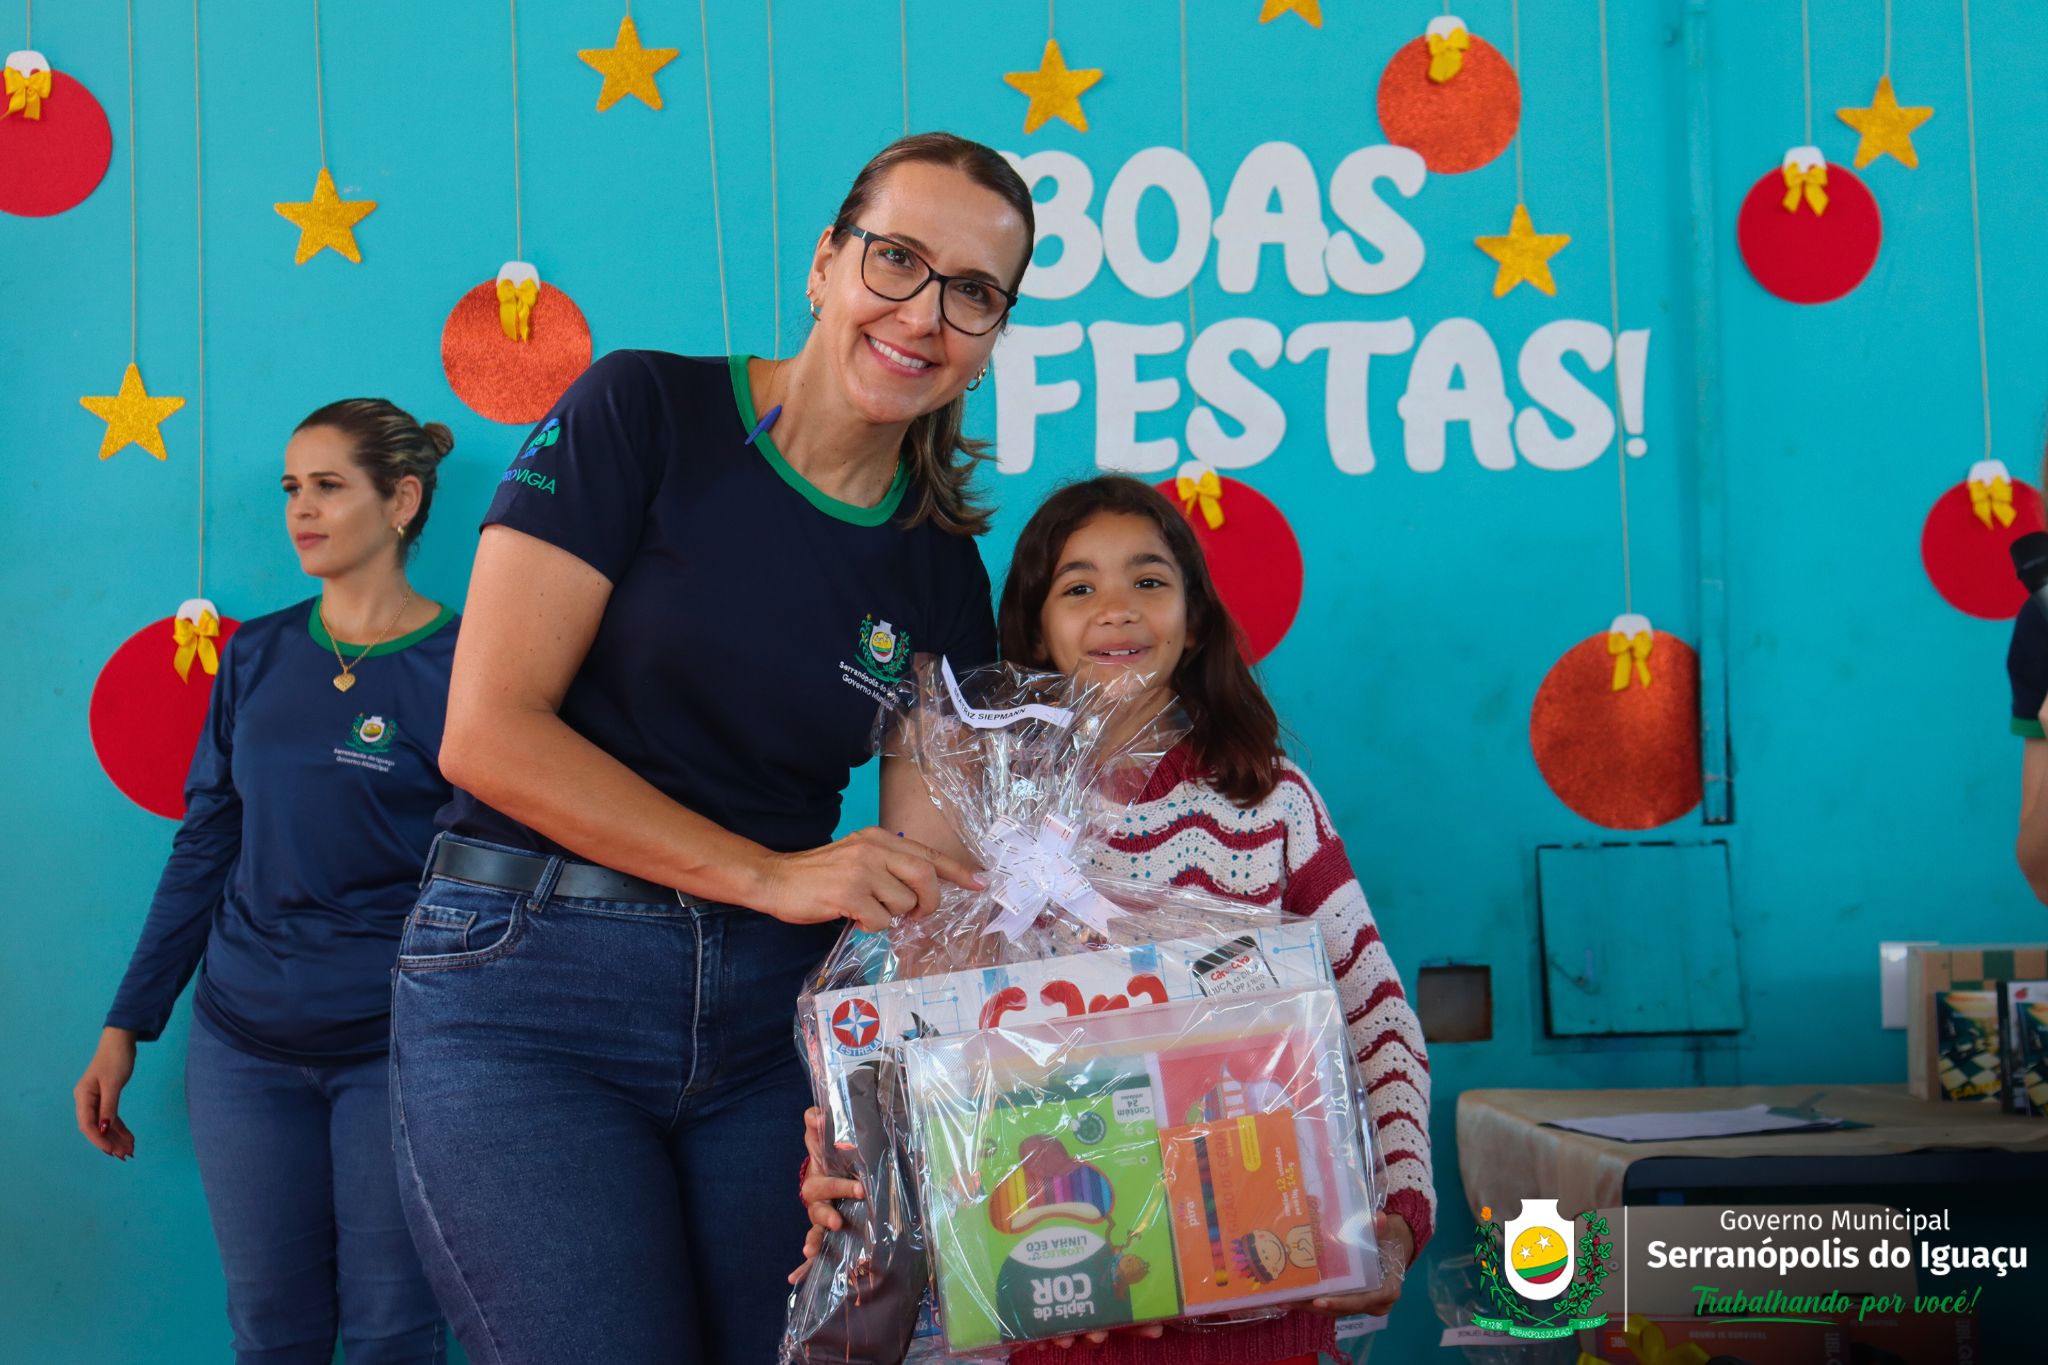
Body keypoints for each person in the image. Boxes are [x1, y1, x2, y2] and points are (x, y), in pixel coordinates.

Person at [389, 131, 1034, 1364]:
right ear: (824, 265)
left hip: (767, 1033)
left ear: (994, 331)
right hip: (530, 989)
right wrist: (771, 873)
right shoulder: (643, 408)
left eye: (972, 292)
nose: (922, 314)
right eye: (895, 260)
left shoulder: (941, 570)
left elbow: (922, 885)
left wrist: (871, 1092)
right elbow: (487, 731)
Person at [798, 477, 1436, 1365]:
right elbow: (910, 1047)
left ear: (1196, 617)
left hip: (1261, 1299)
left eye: (1148, 580)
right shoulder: (983, 822)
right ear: (1033, 630)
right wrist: (852, 1157)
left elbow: (1378, 1019)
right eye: (1078, 587)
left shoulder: (1271, 804)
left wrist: (1397, 1218)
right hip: (1055, 1302)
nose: (1117, 611)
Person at [73, 400, 458, 1364]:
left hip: (395, 1053)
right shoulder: (256, 653)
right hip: (242, 1050)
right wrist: (128, 1023)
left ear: (401, 499)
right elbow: (206, 844)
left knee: (393, 1334)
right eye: (293, 488)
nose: (300, 509)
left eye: (328, 485)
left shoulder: (467, 667)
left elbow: (494, 878)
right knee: (270, 1332)